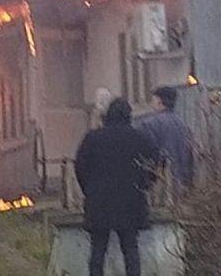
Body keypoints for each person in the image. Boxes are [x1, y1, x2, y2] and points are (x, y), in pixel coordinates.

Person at [75, 98, 158, 276]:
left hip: (99, 201)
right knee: (130, 248)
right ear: (129, 115)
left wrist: (89, 190)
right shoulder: (140, 138)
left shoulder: (93, 138)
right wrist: (144, 184)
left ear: (108, 115)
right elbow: (154, 164)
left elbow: (80, 166)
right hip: (130, 200)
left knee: (98, 249)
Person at [138, 86, 194, 193]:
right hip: (182, 182)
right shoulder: (182, 125)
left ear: (159, 101)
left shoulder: (149, 125)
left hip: (162, 184)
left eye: (153, 99)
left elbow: (148, 155)